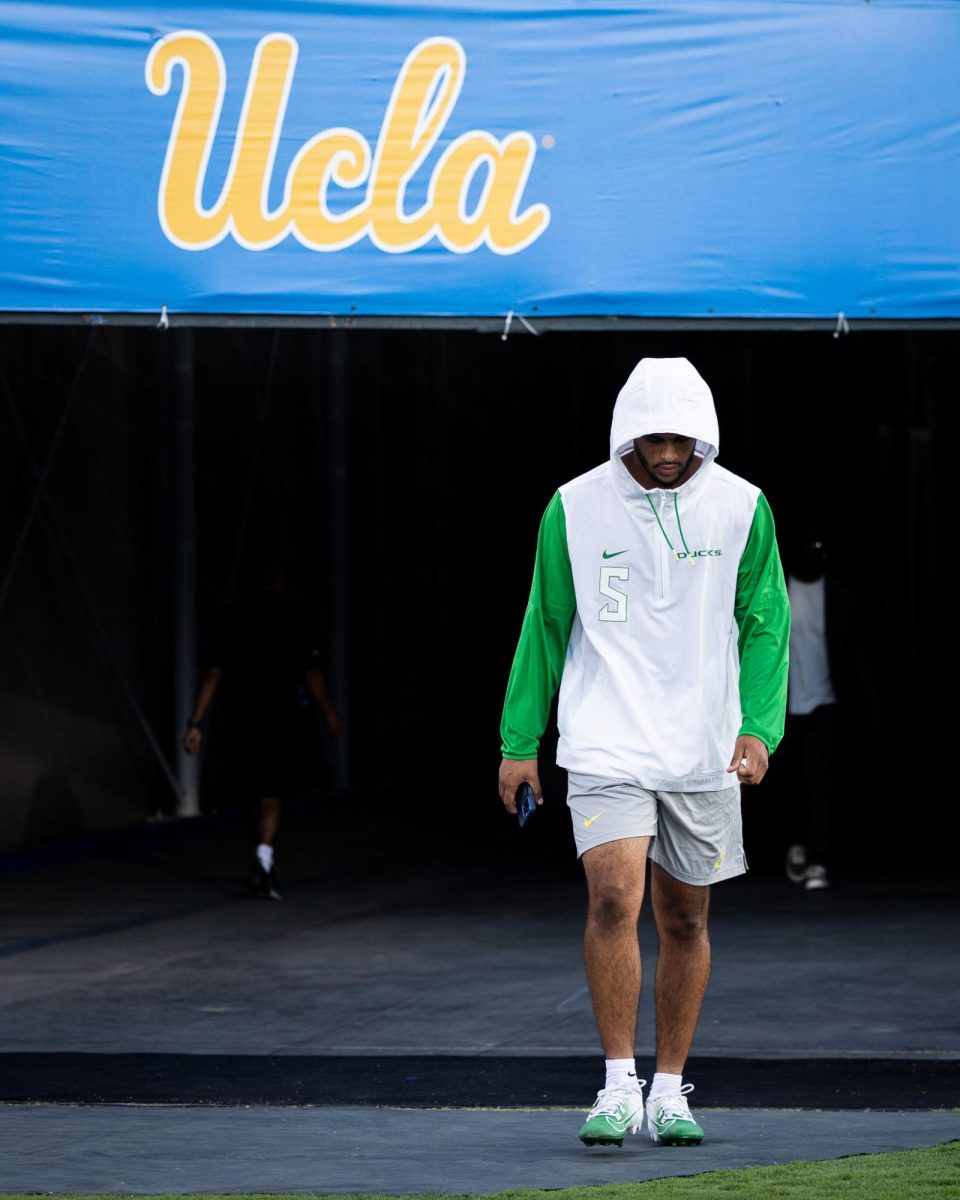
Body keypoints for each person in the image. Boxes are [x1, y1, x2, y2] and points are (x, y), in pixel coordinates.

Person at [498, 357, 789, 1148]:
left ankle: (671, 1091)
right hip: (605, 736)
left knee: (686, 919)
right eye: (652, 439)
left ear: (707, 438)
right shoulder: (575, 506)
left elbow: (767, 622)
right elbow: (545, 623)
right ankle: (618, 1082)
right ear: (627, 432)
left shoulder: (741, 507)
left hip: (702, 745)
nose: (667, 455)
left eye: (682, 442)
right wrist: (519, 741)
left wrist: (760, 727)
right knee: (613, 898)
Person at [183, 558, 345, 899]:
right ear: (279, 582)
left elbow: (212, 674)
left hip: (240, 718)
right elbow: (311, 673)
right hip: (280, 716)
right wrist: (329, 712)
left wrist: (195, 722)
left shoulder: (230, 619)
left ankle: (262, 856)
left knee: (251, 791)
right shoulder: (294, 617)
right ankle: (265, 856)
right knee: (272, 792)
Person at [780, 531, 876, 891]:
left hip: (824, 704)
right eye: (806, 548)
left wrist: (871, 708)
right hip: (780, 708)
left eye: (819, 549)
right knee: (784, 782)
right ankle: (796, 847)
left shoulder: (839, 597)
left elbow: (858, 655)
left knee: (820, 782)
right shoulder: (777, 590)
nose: (812, 555)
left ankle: (817, 859)